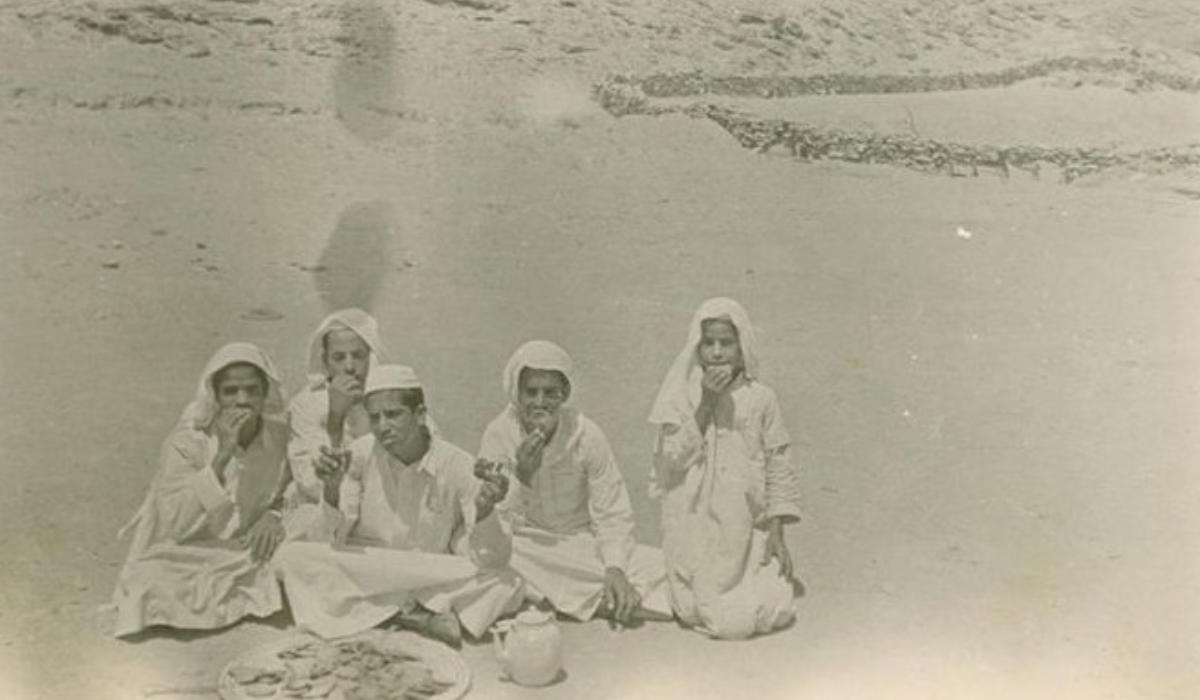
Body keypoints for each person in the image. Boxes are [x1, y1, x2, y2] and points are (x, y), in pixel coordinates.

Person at [274, 365, 521, 646]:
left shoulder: (457, 464)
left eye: (392, 415)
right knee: (290, 557)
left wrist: (486, 510)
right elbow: (331, 538)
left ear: (419, 415)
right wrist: (331, 489)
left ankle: (380, 612)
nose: (382, 426)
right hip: (367, 567)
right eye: (375, 417)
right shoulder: (358, 454)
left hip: (425, 570)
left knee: (508, 582)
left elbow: (489, 558)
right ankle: (416, 612)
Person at [478, 340, 671, 627]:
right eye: (531, 392)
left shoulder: (587, 436)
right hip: (527, 546)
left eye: (550, 393)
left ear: (564, 394)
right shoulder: (499, 434)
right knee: (495, 561)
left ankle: (563, 598)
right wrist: (522, 475)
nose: (540, 402)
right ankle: (607, 600)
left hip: (582, 545)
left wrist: (615, 568)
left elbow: (613, 513)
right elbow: (498, 521)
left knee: (659, 565)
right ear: (517, 394)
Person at [110, 343, 291, 637]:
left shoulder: (280, 437)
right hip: (194, 551)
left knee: (295, 559)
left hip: (254, 548)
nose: (242, 400)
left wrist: (273, 515)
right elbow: (175, 523)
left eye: (252, 390)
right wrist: (221, 458)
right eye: (231, 391)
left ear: (264, 394)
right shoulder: (187, 443)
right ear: (216, 397)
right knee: (150, 580)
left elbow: (296, 487)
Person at [649, 297, 801, 639]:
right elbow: (671, 461)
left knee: (767, 607)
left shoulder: (761, 398)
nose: (717, 352)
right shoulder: (681, 397)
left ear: (742, 346)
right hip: (695, 525)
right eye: (709, 343)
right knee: (694, 608)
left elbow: (778, 462)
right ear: (697, 347)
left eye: (726, 343)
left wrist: (777, 531)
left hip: (745, 526)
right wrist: (706, 403)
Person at [286, 308, 389, 505]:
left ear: (371, 357)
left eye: (358, 355)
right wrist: (336, 419)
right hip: (327, 512)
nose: (350, 367)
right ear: (325, 361)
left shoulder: (390, 393)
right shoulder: (306, 404)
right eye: (339, 358)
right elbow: (311, 485)